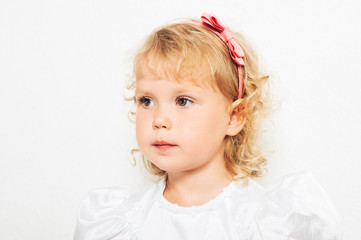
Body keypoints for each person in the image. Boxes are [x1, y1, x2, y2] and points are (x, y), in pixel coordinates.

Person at [74, 13, 341, 240]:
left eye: (183, 101)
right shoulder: (120, 221)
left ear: (234, 117)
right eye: (147, 101)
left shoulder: (264, 222)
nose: (159, 120)